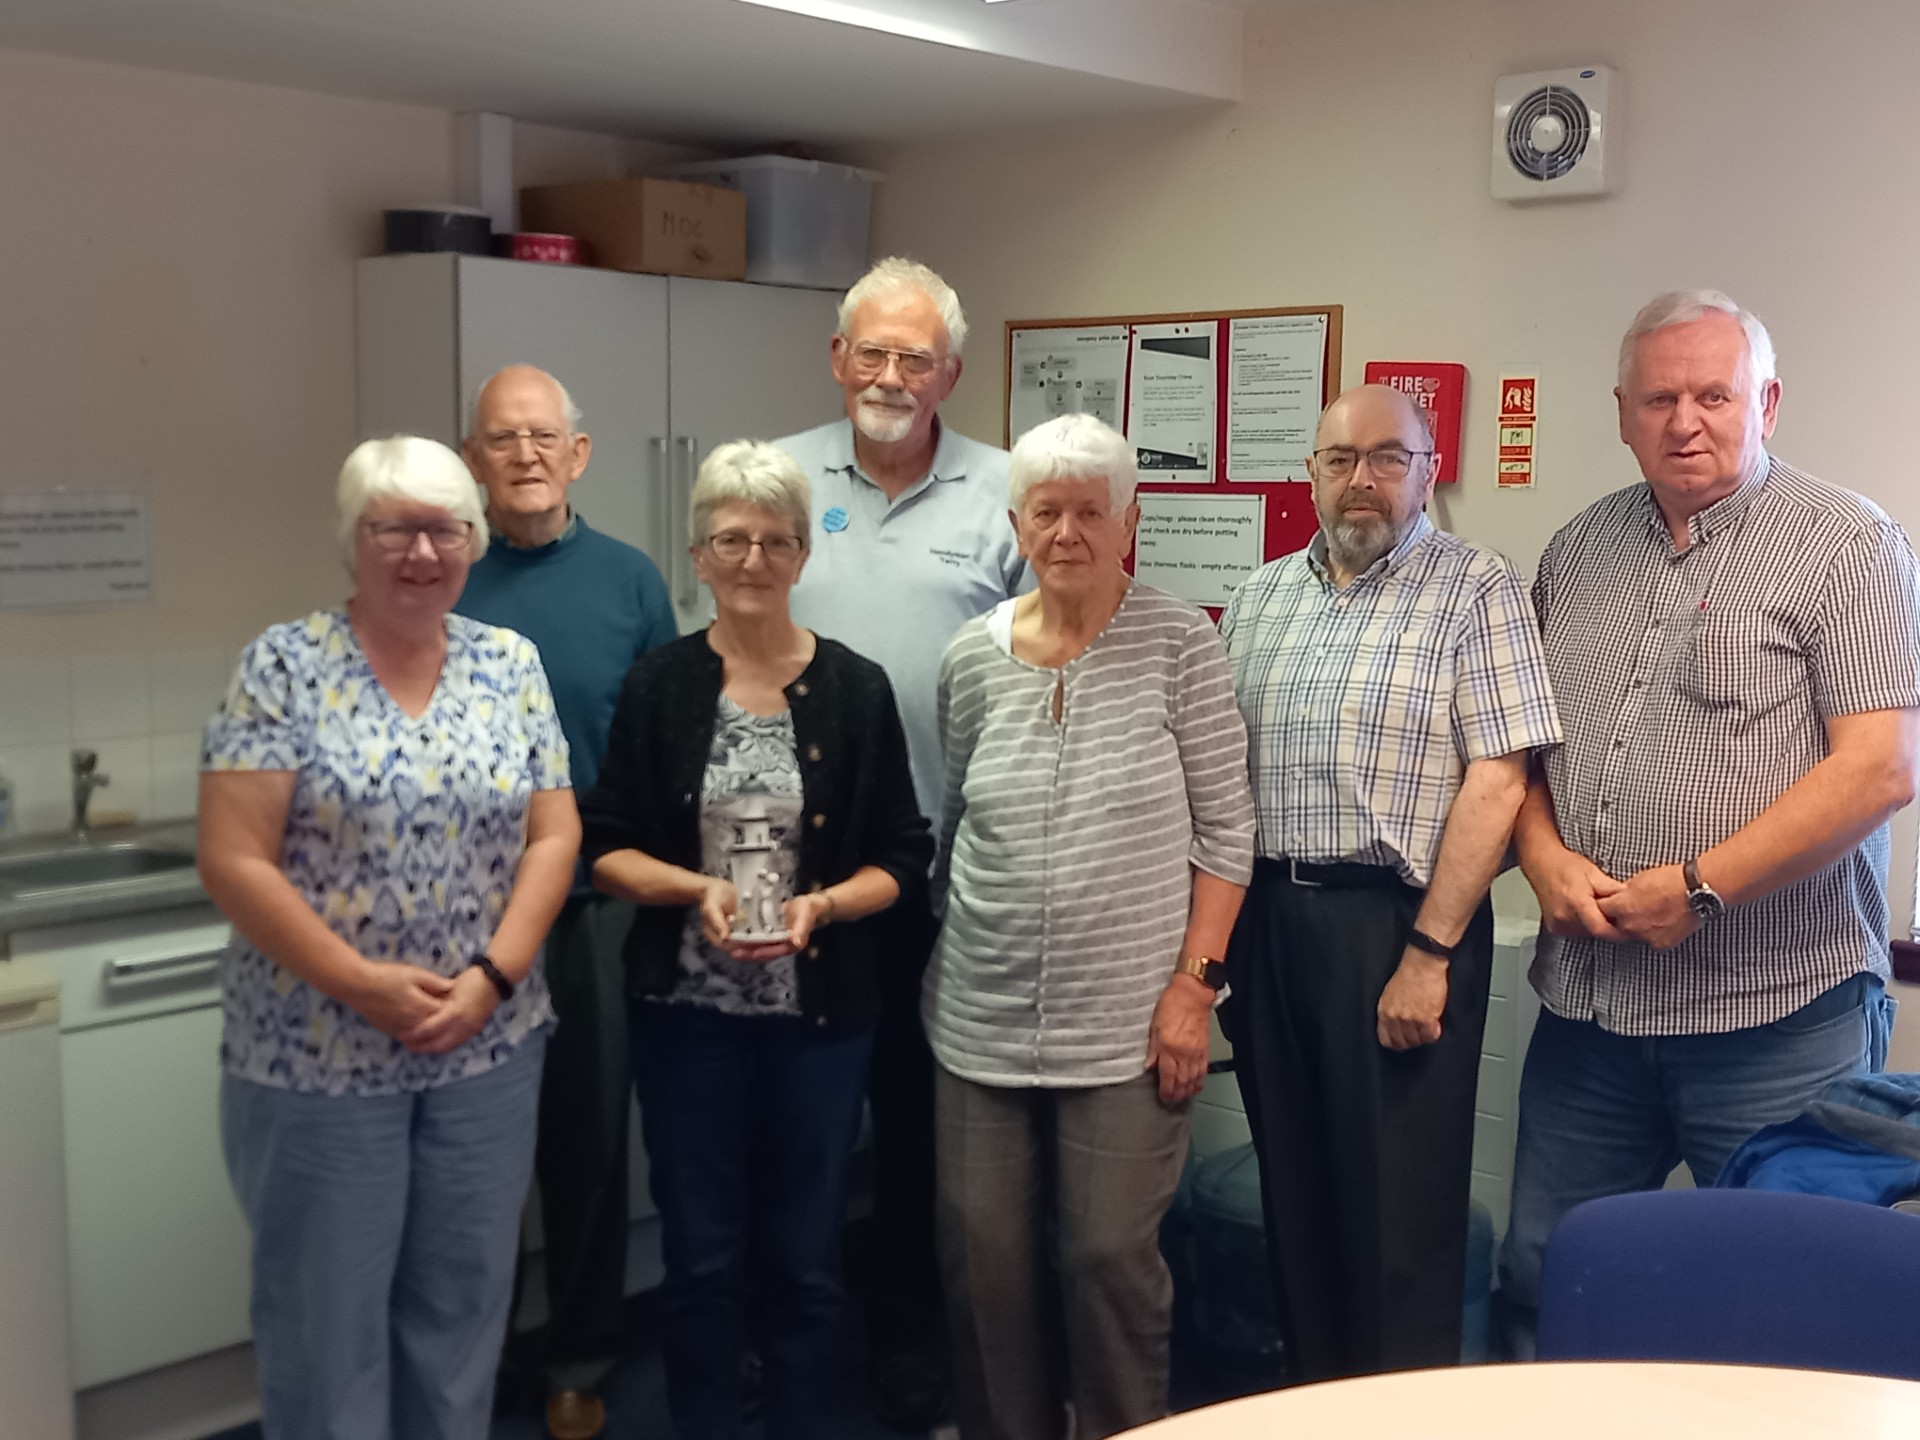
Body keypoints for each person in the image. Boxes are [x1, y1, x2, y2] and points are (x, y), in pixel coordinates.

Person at [1495, 290, 1920, 1353]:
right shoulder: (1578, 550)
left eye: (1714, 394)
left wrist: (1700, 885)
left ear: (1765, 402)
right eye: (1660, 398)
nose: (1686, 420)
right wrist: (1539, 855)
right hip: (1591, 1020)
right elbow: (1525, 748)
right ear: (1623, 412)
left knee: (1788, 1313)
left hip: (1779, 1018)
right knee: (1551, 1284)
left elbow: (1880, 768)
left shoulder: (1848, 545)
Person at [197, 435, 579, 1440]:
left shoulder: (510, 665)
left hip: (486, 1047)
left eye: (445, 528)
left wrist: (494, 977)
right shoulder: (281, 668)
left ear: (475, 539)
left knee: (460, 1314)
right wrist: (361, 982)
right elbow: (235, 859)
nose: (422, 552)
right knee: (325, 1331)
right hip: (316, 1056)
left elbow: (555, 833)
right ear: (352, 541)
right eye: (396, 529)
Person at [580, 440, 933, 1440]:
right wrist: (695, 890)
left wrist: (822, 907)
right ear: (697, 556)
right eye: (731, 539)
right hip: (687, 1022)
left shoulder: (855, 690)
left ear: (800, 556)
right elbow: (604, 848)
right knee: (699, 1260)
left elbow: (903, 856)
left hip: (820, 1025)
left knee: (810, 1259)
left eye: (776, 539)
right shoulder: (659, 687)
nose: (753, 559)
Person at [1217, 383, 1562, 1381]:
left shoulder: (1476, 590)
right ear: (1311, 472)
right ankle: (1320, 1404)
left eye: (1388, 458)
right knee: (1299, 1201)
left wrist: (1430, 952)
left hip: (1400, 931)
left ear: (1428, 471)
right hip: (1272, 925)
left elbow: (1501, 776)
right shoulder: (1260, 597)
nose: (1361, 479)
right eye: (1340, 459)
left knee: (1396, 1229)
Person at [927, 413, 1255, 1440]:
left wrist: (1192, 991)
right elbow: (955, 824)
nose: (1066, 532)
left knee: (1110, 1260)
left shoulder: (1180, 644)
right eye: (1045, 511)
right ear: (1017, 522)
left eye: (1089, 511)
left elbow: (1228, 833)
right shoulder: (969, 658)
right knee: (984, 1267)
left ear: (1130, 522)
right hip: (978, 1022)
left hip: (1127, 1028)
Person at [775, 256, 1026, 1427]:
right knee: (798, 1125)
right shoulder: (777, 477)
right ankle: (793, 1345)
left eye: (914, 357)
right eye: (870, 352)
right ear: (837, 360)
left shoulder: (1010, 492)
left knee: (926, 1123)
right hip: (793, 877)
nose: (889, 375)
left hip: (947, 874)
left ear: (951, 373)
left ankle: (909, 1341)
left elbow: (1059, 658)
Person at [454, 364, 676, 1440]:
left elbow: (666, 747)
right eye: (504, 438)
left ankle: (580, 1353)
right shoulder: (444, 577)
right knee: (465, 1148)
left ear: (579, 455)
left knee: (584, 1145)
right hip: (461, 913)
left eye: (546, 437)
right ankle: (467, 1357)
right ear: (473, 460)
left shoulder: (632, 583)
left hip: (594, 909)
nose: (528, 455)